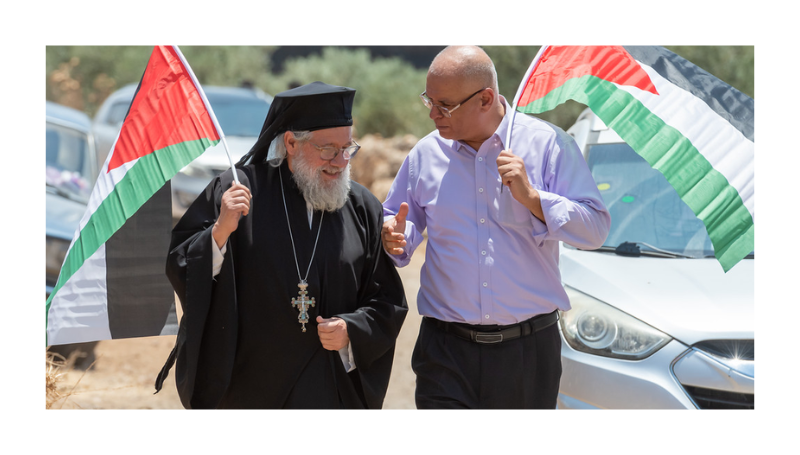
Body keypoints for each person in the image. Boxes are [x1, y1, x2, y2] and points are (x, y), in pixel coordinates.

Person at [381, 46, 611, 409]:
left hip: (527, 353)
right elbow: (400, 219)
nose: (433, 114)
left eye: (445, 105)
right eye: (429, 101)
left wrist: (534, 199)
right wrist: (395, 238)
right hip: (445, 352)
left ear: (486, 99)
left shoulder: (548, 145)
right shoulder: (425, 154)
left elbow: (595, 229)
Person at [155, 81, 408, 409]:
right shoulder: (240, 191)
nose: (340, 161)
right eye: (328, 149)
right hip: (250, 389)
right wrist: (219, 232)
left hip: (329, 390)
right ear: (291, 143)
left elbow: (386, 300)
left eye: (347, 149)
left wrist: (352, 329)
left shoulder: (362, 206)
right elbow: (181, 264)